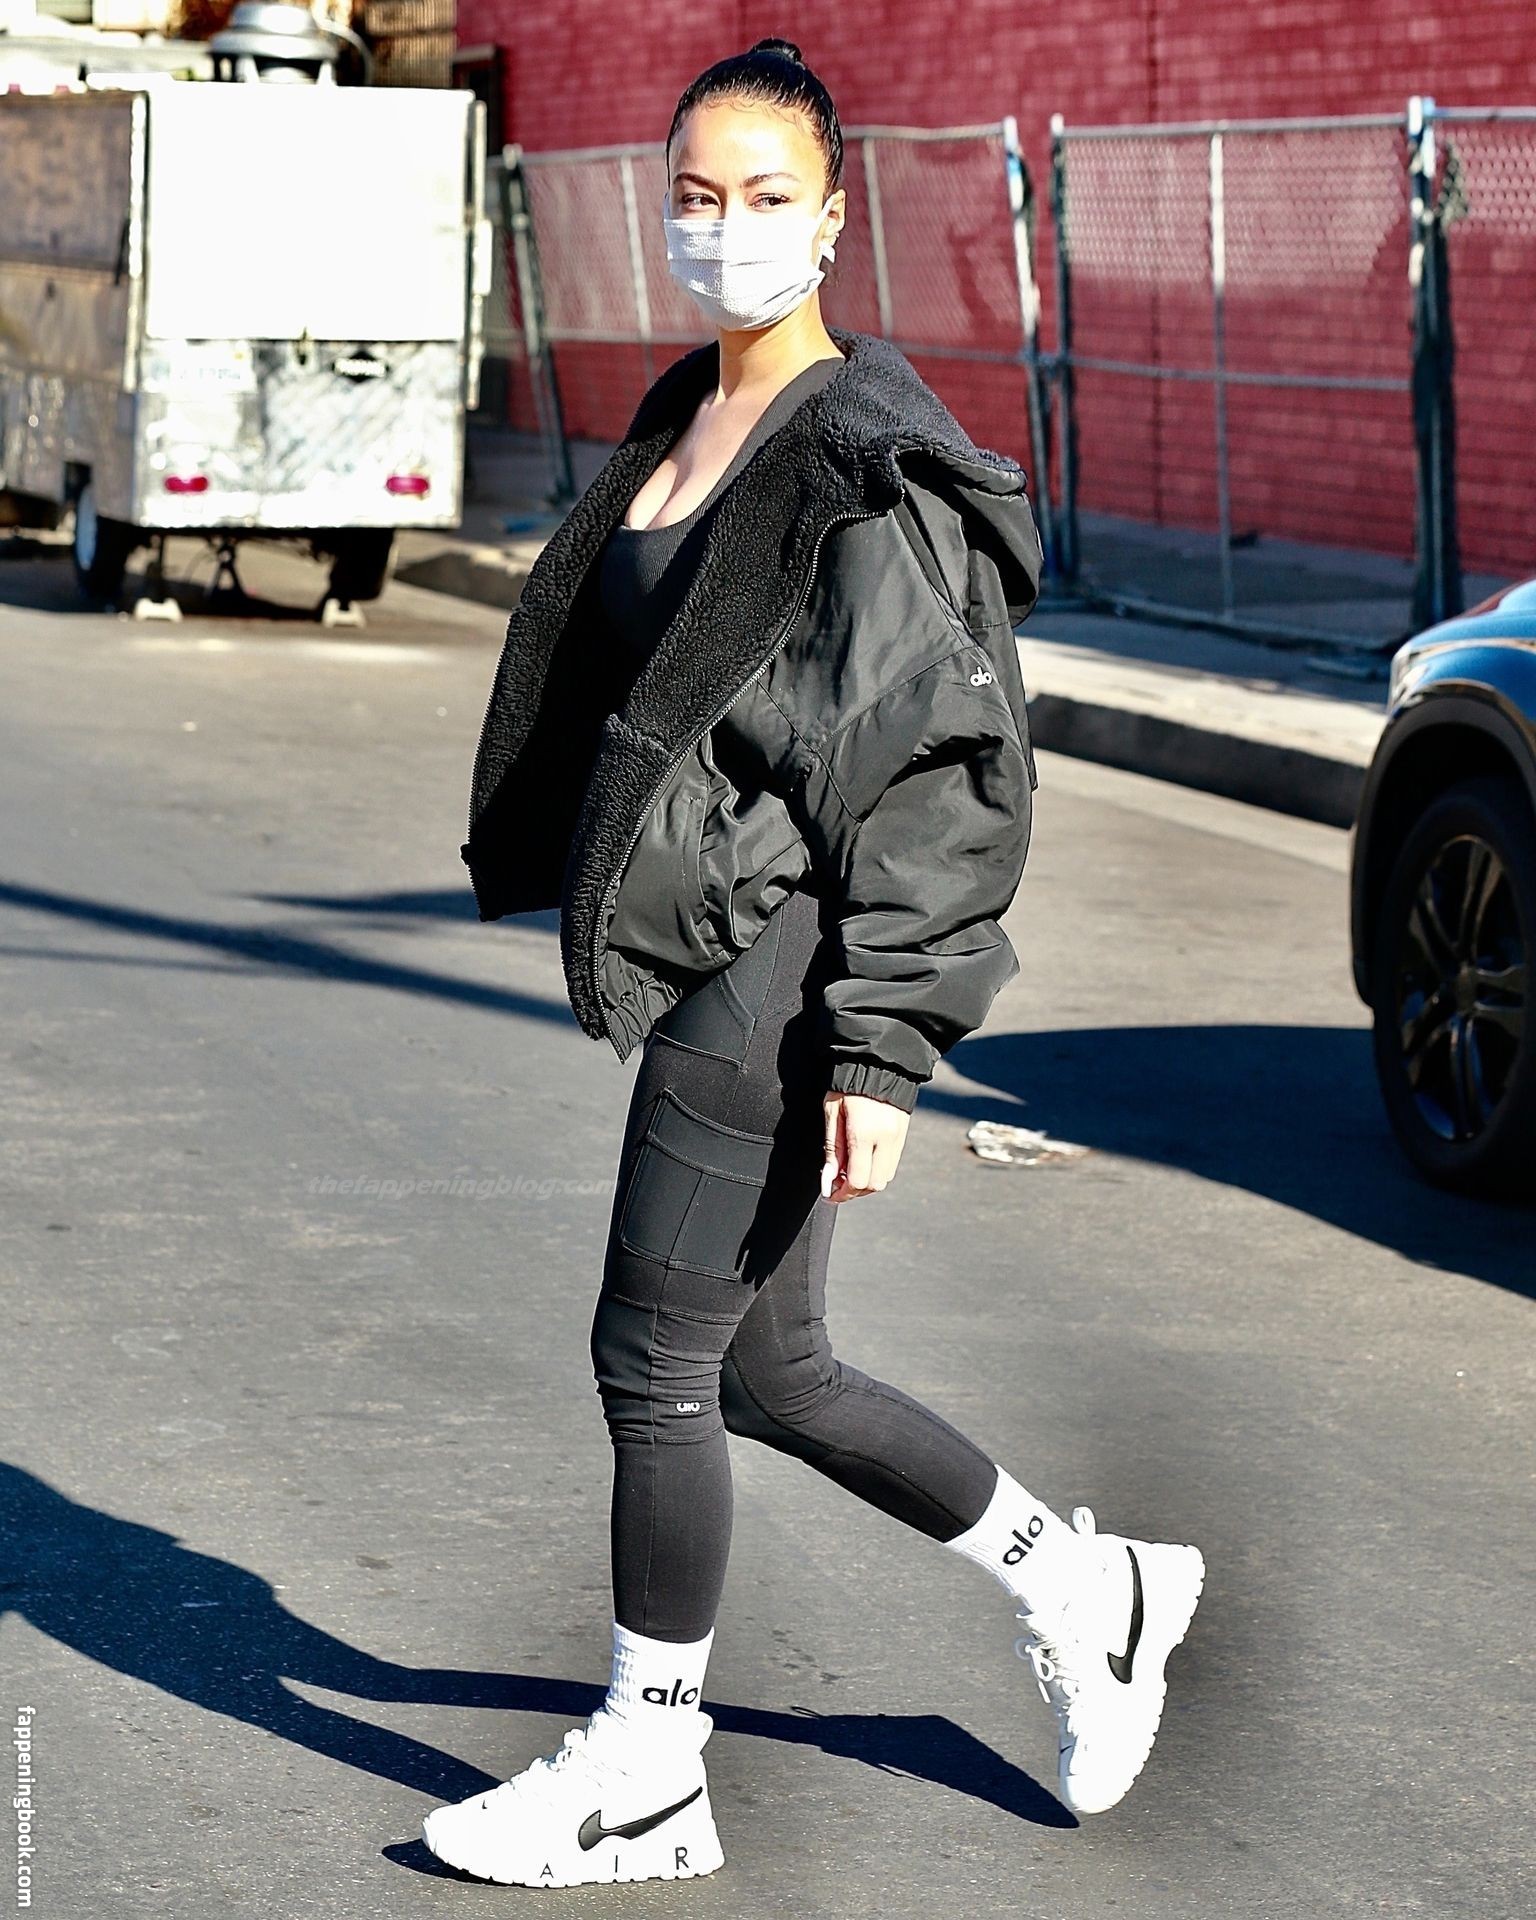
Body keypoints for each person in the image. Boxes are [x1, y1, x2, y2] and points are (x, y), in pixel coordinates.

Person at [424, 38, 1205, 1889]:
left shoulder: (864, 458)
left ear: (836, 217)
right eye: (697, 197)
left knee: (649, 1360)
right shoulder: (688, 415)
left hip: (778, 962)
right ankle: (1089, 1588)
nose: (729, 228)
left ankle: (650, 1767)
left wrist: (882, 1047)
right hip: (718, 926)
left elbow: (943, 770)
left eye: (768, 196)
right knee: (770, 1372)